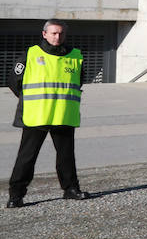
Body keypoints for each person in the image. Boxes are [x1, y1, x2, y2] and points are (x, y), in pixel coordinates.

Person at [7, 19, 89, 207]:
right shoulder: (31, 54)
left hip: (63, 115)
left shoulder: (76, 56)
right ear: (44, 34)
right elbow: (14, 82)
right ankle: (16, 196)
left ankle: (70, 189)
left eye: (60, 33)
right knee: (26, 157)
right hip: (37, 116)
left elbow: (79, 81)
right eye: (53, 33)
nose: (57, 36)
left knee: (66, 156)